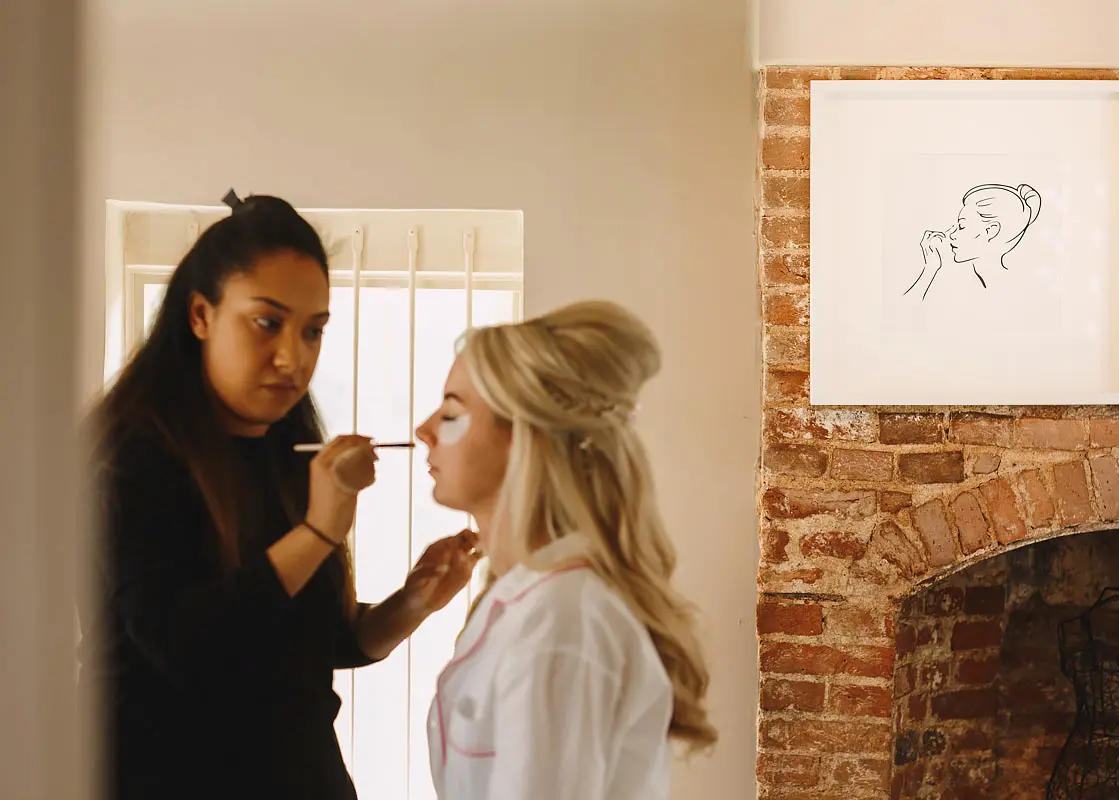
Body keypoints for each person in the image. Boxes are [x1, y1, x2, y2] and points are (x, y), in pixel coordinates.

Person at [78, 193, 479, 800]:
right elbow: (185, 643)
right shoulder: (131, 452)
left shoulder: (287, 451)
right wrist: (318, 531)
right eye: (267, 322)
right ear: (200, 315)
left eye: (313, 331)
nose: (294, 358)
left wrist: (411, 604)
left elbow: (306, 646)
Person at [415, 300, 717, 800]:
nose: (424, 431)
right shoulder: (525, 600)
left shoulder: (560, 621)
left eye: (451, 412)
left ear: (525, 436)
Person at [906, 182, 1042, 300]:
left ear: (990, 231)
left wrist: (930, 269)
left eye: (961, 226)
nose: (950, 234)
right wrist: (931, 267)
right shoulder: (965, 282)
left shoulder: (1009, 290)